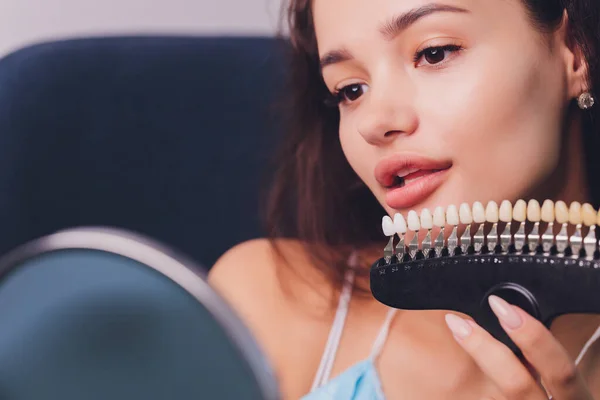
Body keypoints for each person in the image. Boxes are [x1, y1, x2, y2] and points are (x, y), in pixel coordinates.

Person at [209, 0, 600, 398]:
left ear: (575, 50)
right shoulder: (268, 303)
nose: (374, 122)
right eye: (350, 90)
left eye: (434, 53)